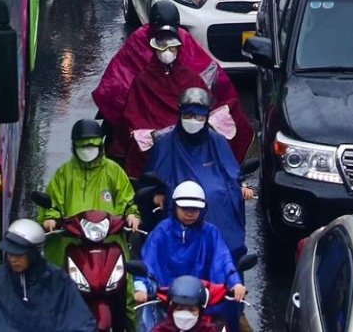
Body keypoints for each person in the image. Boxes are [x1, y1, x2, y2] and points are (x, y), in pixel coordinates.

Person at [92, 1, 252, 176]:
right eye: (161, 44)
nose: (167, 49)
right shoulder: (141, 68)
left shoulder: (188, 67)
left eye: (172, 45)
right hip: (153, 129)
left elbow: (211, 75)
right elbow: (118, 84)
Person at [144, 89, 249, 255]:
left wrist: (240, 185)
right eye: (188, 116)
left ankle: (223, 250)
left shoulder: (217, 141)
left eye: (199, 117)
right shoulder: (165, 144)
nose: (193, 120)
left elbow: (231, 172)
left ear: (206, 117)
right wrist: (158, 192)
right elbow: (154, 176)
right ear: (180, 115)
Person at [137, 183, 246, 316]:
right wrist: (141, 288)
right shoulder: (161, 232)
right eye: (184, 208)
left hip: (202, 306)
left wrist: (235, 283)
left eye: (194, 209)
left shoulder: (211, 233)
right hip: (167, 306)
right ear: (174, 207)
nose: (189, 213)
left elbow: (223, 259)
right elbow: (149, 262)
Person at [0, 220, 96, 332]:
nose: (12, 259)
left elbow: (80, 321)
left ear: (33, 254)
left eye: (18, 254)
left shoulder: (58, 280)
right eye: (9, 253)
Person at [41, 118, 140, 256]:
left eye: (91, 146)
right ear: (74, 147)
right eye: (82, 146)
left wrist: (131, 215)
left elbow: (127, 199)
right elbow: (53, 201)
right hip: (72, 241)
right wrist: (50, 218)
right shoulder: (64, 174)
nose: (87, 151)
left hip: (108, 241)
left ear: (100, 146)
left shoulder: (114, 171)